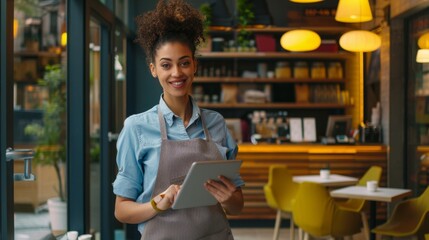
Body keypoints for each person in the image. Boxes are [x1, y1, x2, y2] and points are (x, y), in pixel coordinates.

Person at [112, 0, 245, 239]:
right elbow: (122, 210)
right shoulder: (137, 128)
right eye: (166, 65)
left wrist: (229, 199)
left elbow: (237, 206)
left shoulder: (216, 124)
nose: (176, 73)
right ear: (154, 69)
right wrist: (156, 204)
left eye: (184, 62)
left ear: (195, 65)